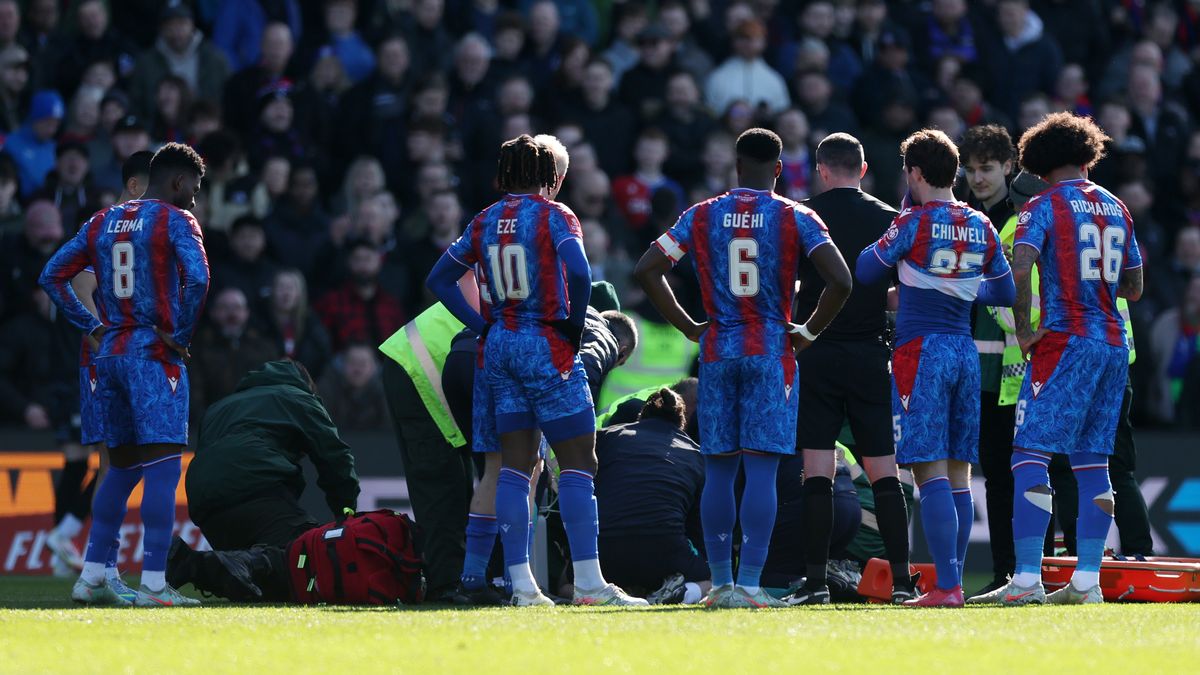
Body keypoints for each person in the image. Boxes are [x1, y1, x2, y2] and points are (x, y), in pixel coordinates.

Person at [634, 128, 852, 608]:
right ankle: (751, 586)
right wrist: (808, 332)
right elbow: (840, 279)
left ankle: (719, 585)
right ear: (778, 169)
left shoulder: (703, 214)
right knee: (760, 473)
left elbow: (647, 268)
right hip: (772, 351)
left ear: (736, 167)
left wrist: (689, 326)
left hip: (717, 350)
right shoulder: (796, 216)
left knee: (718, 472)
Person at [426, 134, 646, 607]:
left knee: (514, 469)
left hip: (500, 345)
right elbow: (582, 273)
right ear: (550, 176)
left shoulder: (484, 219)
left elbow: (439, 279)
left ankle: (522, 585)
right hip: (545, 343)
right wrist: (571, 326)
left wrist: (483, 323)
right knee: (579, 464)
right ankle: (589, 584)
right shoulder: (555, 215)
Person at [971, 113, 1144, 606]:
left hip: (1064, 341)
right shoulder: (1118, 207)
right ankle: (1087, 582)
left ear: (1038, 163)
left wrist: (1025, 332)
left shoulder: (1041, 206)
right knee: (1093, 463)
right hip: (1113, 345)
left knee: (1029, 453)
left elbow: (1019, 267)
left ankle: (1027, 580)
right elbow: (1134, 285)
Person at [39, 142, 210, 607]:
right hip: (154, 354)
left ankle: (92, 574)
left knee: (119, 467)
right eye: (193, 188)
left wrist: (91, 326)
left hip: (107, 355)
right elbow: (197, 278)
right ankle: (154, 582)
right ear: (177, 182)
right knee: (161, 467)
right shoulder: (176, 220)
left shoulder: (101, 220)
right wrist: (179, 334)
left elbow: (52, 276)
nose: (195, 199)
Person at [856, 128, 1014, 607]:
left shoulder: (914, 222)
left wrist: (904, 218)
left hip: (920, 352)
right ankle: (955, 583)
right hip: (965, 353)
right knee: (961, 473)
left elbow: (865, 271)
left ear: (915, 173)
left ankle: (946, 588)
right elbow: (1005, 292)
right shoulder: (980, 224)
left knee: (930, 473)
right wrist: (963, 289)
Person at [786, 132, 914, 605]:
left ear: (820, 170)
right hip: (869, 355)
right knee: (884, 470)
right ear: (862, 169)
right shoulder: (890, 219)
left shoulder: (802, 216)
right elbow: (905, 291)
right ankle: (902, 582)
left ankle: (816, 582)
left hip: (815, 352)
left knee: (816, 471)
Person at [185, 360, 359, 551]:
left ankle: (200, 567)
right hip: (254, 485)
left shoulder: (218, 408)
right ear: (308, 386)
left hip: (203, 500)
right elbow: (335, 456)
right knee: (309, 554)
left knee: (244, 571)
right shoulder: (298, 397)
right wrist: (345, 512)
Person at [958, 124, 1020, 596]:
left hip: (1017, 370)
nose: (978, 178)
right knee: (988, 475)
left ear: (1009, 167)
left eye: (987, 168)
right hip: (972, 368)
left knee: (1010, 475)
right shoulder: (957, 217)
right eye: (971, 169)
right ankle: (1002, 575)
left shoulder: (1022, 217)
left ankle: (1019, 573)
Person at [594, 387, 710, 604]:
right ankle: (685, 593)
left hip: (607, 549)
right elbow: (697, 526)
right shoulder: (696, 454)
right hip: (666, 549)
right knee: (713, 580)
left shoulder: (608, 438)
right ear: (681, 423)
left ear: (641, 416)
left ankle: (622, 593)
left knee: (568, 582)